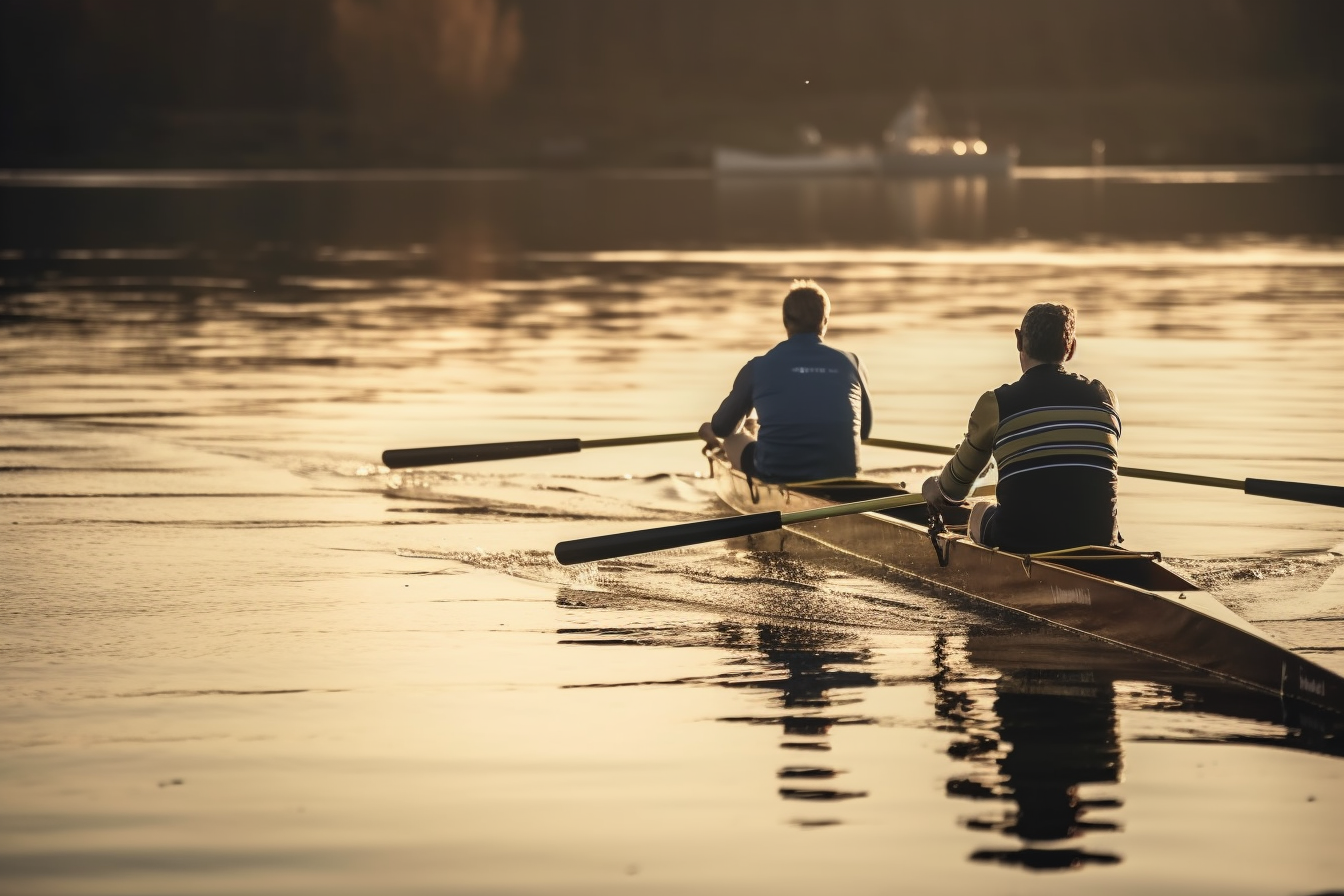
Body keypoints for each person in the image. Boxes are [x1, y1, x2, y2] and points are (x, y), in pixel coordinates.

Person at [922, 303, 1120, 553]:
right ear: (1071, 348)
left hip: (1023, 541)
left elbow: (953, 492)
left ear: (1018, 340)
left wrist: (933, 488)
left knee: (979, 511)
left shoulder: (995, 404)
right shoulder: (1106, 398)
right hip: (1100, 542)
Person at [699, 280, 873, 483]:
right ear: (825, 321)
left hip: (777, 474)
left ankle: (748, 434)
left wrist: (716, 431)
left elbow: (722, 428)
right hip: (843, 475)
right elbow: (864, 431)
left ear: (785, 321)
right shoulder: (852, 362)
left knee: (729, 435)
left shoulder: (757, 367)